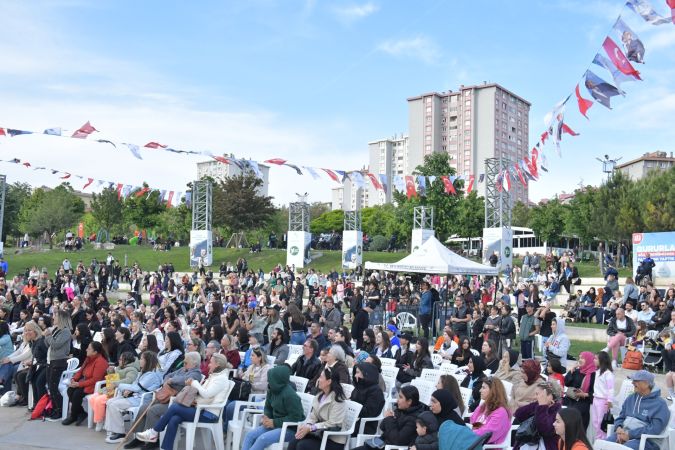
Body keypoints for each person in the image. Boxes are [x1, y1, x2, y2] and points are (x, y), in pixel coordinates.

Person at [135, 353, 234, 450]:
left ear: (217, 365)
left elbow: (206, 394)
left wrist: (194, 383)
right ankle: (166, 447)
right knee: (174, 418)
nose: (209, 364)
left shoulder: (221, 379)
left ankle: (154, 432)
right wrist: (195, 399)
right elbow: (205, 395)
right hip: (202, 409)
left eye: (211, 363)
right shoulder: (215, 376)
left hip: (209, 414)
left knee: (174, 407)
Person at [123, 352, 202, 450]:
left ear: (194, 364)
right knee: (144, 407)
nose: (183, 364)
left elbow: (184, 379)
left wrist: (172, 380)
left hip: (175, 401)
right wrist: (167, 380)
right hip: (165, 396)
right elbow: (167, 375)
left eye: (186, 362)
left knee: (153, 410)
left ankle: (152, 441)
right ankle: (139, 439)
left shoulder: (196, 373)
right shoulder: (183, 369)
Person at [240, 365, 305, 450]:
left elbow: (296, 417)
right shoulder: (272, 390)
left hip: (289, 429)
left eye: (271, 378)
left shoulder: (290, 395)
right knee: (250, 435)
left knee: (262, 439)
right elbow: (268, 407)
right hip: (274, 424)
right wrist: (267, 417)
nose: (268, 380)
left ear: (278, 379)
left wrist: (274, 422)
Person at [103, 351, 163, 442]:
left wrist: (117, 384)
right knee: (109, 402)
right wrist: (128, 390)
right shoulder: (143, 372)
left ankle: (120, 434)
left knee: (113, 405)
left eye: (142, 358)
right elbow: (135, 385)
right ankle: (114, 430)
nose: (139, 360)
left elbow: (137, 388)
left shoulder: (151, 375)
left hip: (141, 400)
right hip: (135, 397)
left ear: (147, 361)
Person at [604, 370, 669, 450]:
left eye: (636, 381)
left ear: (646, 384)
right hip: (624, 435)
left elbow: (655, 429)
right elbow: (621, 417)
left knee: (625, 448)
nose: (632, 383)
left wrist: (630, 434)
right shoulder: (630, 398)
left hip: (647, 441)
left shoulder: (660, 404)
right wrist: (619, 427)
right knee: (604, 445)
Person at [287, 368, 347, 450]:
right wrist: (308, 425)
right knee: (294, 442)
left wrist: (311, 428)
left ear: (329, 381)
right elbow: (313, 416)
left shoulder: (338, 399)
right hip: (320, 434)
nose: (318, 379)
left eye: (321, 377)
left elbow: (333, 424)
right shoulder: (320, 395)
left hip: (333, 439)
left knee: (302, 446)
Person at [352, 385, 425, 450]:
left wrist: (389, 419)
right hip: (380, 444)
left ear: (409, 401)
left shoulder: (414, 419)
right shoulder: (401, 410)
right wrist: (389, 419)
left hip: (390, 447)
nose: (397, 399)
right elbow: (382, 427)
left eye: (400, 397)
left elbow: (397, 440)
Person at [61, 341, 108, 426]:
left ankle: (73, 416)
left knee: (76, 394)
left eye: (89, 348)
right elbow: (80, 370)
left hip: (94, 386)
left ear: (95, 352)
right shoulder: (89, 358)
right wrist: (74, 379)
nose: (86, 350)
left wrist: (79, 384)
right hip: (85, 382)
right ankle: (81, 413)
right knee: (70, 390)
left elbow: (95, 380)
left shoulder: (101, 362)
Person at [89, 352, 139, 431]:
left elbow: (129, 380)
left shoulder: (132, 370)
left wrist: (116, 383)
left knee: (99, 400)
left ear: (126, 361)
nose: (118, 361)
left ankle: (99, 420)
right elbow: (113, 378)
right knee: (92, 398)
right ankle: (103, 417)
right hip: (110, 389)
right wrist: (111, 372)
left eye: (120, 359)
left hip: (118, 392)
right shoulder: (119, 368)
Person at [513, 381, 562, 450]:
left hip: (546, 446)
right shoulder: (537, 406)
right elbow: (519, 414)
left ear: (550, 396)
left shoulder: (557, 412)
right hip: (526, 445)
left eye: (537, 394)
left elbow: (544, 429)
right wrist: (537, 405)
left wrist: (542, 406)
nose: (534, 397)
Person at [44, 309, 73, 421]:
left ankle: (60, 410)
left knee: (54, 386)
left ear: (61, 318)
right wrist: (48, 337)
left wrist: (48, 336)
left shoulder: (65, 331)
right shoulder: (56, 330)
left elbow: (56, 344)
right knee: (50, 386)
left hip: (59, 361)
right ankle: (55, 408)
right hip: (51, 360)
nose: (53, 318)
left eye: (55, 316)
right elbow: (48, 344)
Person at [469, 377, 511, 445]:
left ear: (493, 391)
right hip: (473, 441)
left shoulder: (501, 412)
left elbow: (487, 434)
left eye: (483, 388)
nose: (480, 390)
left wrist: (467, 433)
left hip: (485, 446)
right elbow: (472, 423)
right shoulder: (483, 406)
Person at [562, 351, 596, 430]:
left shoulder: (593, 375)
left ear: (588, 360)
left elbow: (595, 393)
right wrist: (571, 371)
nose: (580, 360)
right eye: (579, 358)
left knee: (575, 413)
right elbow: (566, 383)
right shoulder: (577, 371)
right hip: (570, 399)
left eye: (583, 358)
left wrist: (584, 394)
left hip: (583, 401)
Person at [350, 362, 385, 435]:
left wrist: (352, 407)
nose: (355, 375)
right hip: (353, 418)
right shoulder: (359, 386)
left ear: (366, 374)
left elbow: (368, 412)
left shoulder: (376, 391)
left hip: (365, 425)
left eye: (357, 373)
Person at [591, 351, 614, 440]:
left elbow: (610, 389)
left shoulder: (608, 374)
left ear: (602, 360)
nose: (594, 360)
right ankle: (598, 439)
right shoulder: (597, 372)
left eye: (596, 358)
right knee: (595, 421)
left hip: (603, 401)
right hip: (595, 399)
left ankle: (603, 439)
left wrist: (609, 401)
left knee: (601, 422)